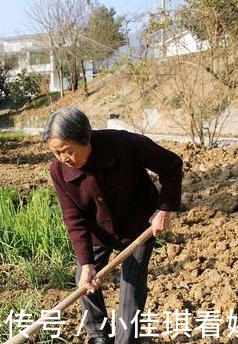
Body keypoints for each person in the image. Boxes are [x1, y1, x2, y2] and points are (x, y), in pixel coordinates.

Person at [43, 107, 183, 344]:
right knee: (84, 279)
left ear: (86, 138)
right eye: (57, 153)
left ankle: (126, 341)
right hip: (98, 230)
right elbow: (73, 217)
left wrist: (164, 209)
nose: (64, 159)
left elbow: (171, 165)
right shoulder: (58, 170)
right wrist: (87, 263)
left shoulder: (124, 144)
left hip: (138, 226)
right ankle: (99, 336)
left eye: (68, 151)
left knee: (131, 285)